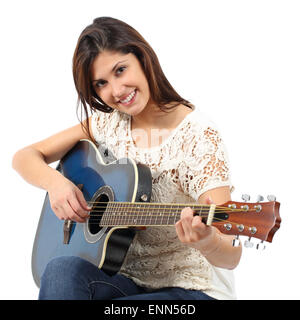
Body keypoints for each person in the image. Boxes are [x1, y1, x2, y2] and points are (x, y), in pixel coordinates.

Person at [12, 17, 242, 300]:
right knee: (60, 270)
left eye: (121, 70)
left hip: (191, 292)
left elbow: (231, 253)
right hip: (123, 283)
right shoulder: (109, 124)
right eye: (101, 83)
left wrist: (207, 241)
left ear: (143, 59)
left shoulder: (199, 137)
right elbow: (25, 156)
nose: (117, 91)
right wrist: (56, 184)